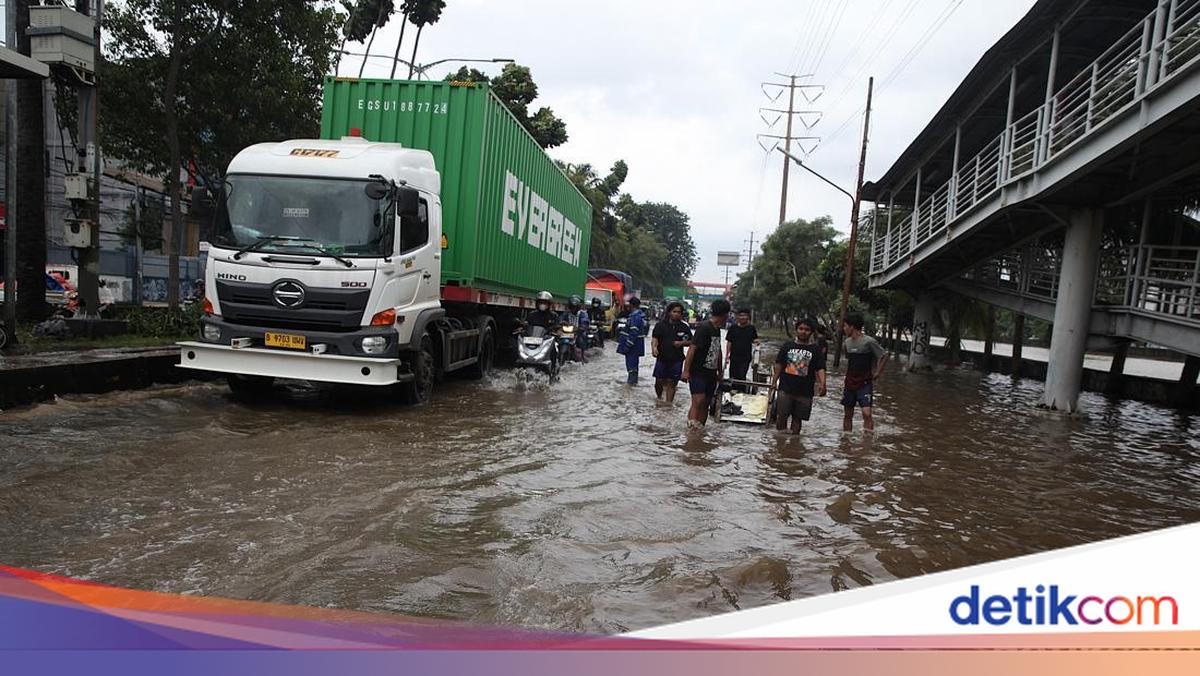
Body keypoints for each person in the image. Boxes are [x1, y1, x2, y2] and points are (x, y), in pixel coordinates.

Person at [772, 318, 827, 434]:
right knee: (781, 416)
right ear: (796, 330)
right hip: (785, 389)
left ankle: (794, 443)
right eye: (801, 329)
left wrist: (823, 384)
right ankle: (779, 442)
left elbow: (820, 367)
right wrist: (774, 381)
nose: (803, 332)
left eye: (807, 330)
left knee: (798, 419)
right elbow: (779, 364)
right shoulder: (787, 346)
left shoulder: (815, 350)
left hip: (805, 391)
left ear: (811, 332)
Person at [682, 299, 730, 427]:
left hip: (711, 372)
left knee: (706, 403)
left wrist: (720, 371)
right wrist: (686, 371)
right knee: (698, 401)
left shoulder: (717, 329)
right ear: (725, 315)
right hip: (698, 371)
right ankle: (691, 430)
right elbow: (692, 349)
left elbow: (717, 350)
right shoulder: (704, 328)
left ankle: (699, 430)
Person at [840, 312, 889, 432]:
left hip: (865, 382)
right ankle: (846, 440)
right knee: (848, 414)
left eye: (845, 326)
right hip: (850, 382)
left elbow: (884, 355)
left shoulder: (869, 341)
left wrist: (878, 372)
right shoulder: (846, 343)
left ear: (852, 326)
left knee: (867, 413)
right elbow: (848, 359)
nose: (844, 329)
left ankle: (867, 440)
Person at [651, 302, 692, 403]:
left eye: (679, 312)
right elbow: (655, 338)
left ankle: (668, 405)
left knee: (672, 383)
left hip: (677, 359)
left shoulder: (684, 327)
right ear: (669, 312)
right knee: (659, 381)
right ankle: (659, 398)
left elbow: (692, 342)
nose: (676, 314)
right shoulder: (660, 325)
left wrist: (681, 343)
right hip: (662, 358)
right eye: (674, 312)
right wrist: (654, 348)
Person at [724, 308, 760, 388]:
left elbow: (755, 339)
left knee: (741, 376)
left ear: (748, 317)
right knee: (732, 377)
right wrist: (727, 356)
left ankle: (741, 392)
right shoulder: (733, 328)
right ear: (737, 317)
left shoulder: (751, 328)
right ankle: (731, 393)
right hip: (734, 357)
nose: (742, 317)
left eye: (744, 315)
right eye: (741, 315)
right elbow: (729, 342)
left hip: (745, 357)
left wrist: (756, 342)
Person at [616, 297, 647, 384]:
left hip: (633, 347)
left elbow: (633, 332)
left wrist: (627, 345)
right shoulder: (636, 316)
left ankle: (631, 384)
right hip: (635, 346)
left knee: (631, 366)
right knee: (633, 366)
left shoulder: (635, 317)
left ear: (632, 305)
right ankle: (632, 383)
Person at [561, 295, 590, 362]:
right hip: (566, 333)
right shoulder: (566, 314)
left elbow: (585, 322)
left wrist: (582, 327)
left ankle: (582, 357)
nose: (573, 309)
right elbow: (560, 321)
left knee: (581, 340)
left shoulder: (583, 314)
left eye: (575, 307)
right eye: (572, 307)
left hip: (578, 333)